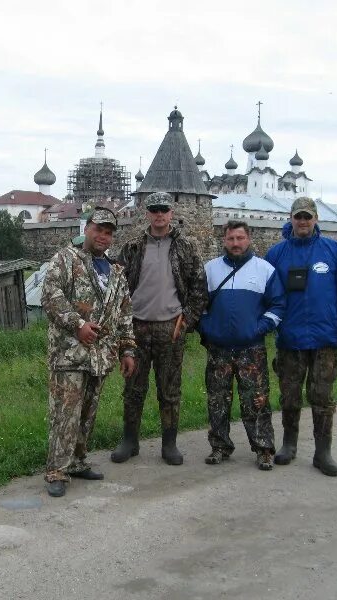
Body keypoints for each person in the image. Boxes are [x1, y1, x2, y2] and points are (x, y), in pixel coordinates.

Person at [41, 207, 136, 497]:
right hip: (69, 353)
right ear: (87, 229)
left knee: (88, 411)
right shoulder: (66, 260)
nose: (103, 236)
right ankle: (57, 470)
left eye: (109, 232)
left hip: (100, 356)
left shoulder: (117, 271)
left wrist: (128, 350)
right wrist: (78, 324)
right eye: (98, 230)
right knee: (65, 413)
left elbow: (124, 314)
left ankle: (78, 461)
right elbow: (51, 296)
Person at [111, 192, 208, 465]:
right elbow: (117, 289)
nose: (159, 214)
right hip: (136, 328)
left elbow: (199, 288)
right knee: (133, 388)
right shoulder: (132, 247)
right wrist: (121, 326)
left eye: (163, 209)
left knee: (169, 389)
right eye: (154, 209)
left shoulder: (187, 247)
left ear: (171, 213)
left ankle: (169, 444)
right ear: (147, 213)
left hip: (170, 328)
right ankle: (130, 441)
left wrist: (186, 321)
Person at [265, 197, 337, 476]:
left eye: (308, 216)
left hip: (325, 338)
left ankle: (323, 452)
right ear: (291, 219)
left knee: (322, 396)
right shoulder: (277, 254)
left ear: (316, 218)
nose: (303, 221)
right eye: (298, 217)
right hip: (290, 339)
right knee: (290, 396)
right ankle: (289, 444)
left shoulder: (332, 250)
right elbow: (267, 293)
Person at [198, 220, 285, 470]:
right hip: (219, 349)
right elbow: (199, 304)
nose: (235, 244)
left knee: (256, 400)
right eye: (231, 239)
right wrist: (207, 328)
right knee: (217, 400)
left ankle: (263, 449)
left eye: (240, 238)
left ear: (249, 239)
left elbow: (278, 305)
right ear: (224, 241)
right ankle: (219, 446)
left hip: (251, 349)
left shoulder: (265, 270)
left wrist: (259, 328)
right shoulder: (210, 269)